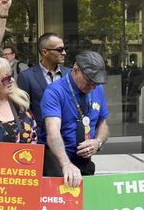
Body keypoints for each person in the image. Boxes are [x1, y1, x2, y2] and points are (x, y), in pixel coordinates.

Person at [39, 50, 109, 187]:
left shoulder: (97, 89)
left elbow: (103, 124)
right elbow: (53, 133)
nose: (93, 86)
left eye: (96, 82)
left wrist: (98, 142)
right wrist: (66, 164)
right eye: (89, 81)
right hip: (57, 159)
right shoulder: (54, 92)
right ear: (75, 70)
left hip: (84, 158)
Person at [17, 33, 70, 129]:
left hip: (69, 136)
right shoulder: (26, 76)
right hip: (41, 137)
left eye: (65, 49)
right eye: (59, 50)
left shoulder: (69, 74)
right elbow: (23, 111)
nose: (64, 53)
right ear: (45, 52)